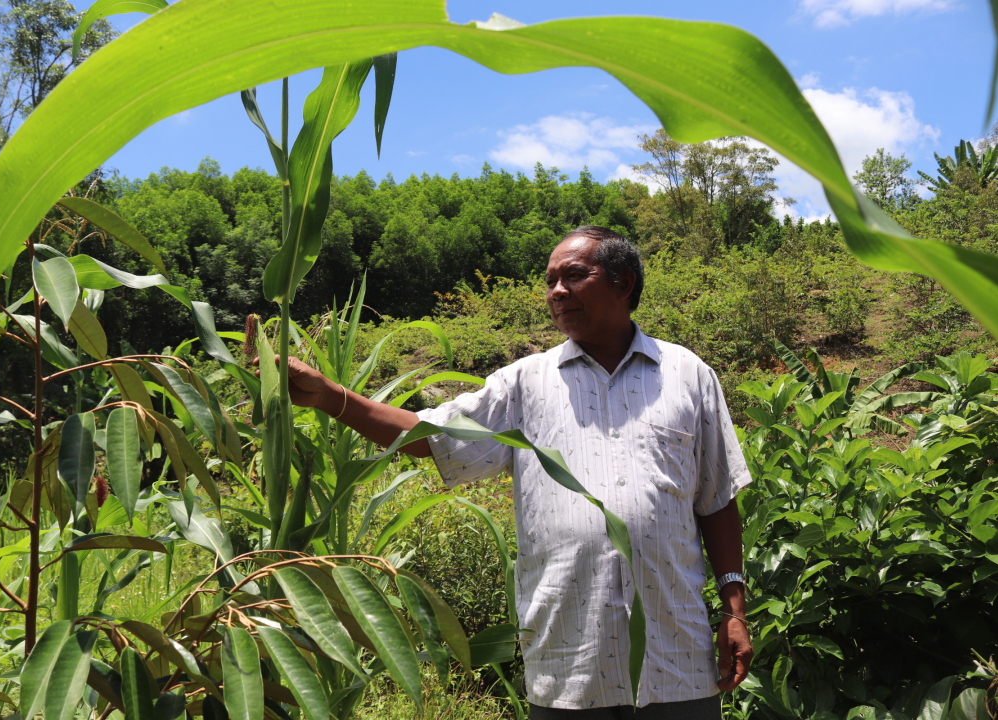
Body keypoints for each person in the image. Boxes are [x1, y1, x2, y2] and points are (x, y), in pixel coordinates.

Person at [271, 226, 753, 719]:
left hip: (675, 656)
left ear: (624, 282)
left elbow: (716, 500)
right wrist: (331, 396)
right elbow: (429, 437)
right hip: (570, 658)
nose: (556, 292)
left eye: (573, 276)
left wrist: (734, 610)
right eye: (550, 281)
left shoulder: (688, 374)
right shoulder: (525, 382)